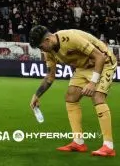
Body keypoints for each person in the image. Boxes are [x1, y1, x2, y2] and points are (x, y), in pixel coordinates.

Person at [28, 25, 116, 156]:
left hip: (104, 62)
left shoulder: (70, 38)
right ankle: (78, 142)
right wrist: (36, 95)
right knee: (71, 97)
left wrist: (92, 83)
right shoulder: (48, 51)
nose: (41, 50)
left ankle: (108, 146)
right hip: (83, 67)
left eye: (41, 46)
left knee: (97, 96)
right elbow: (50, 76)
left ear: (47, 40)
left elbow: (100, 57)